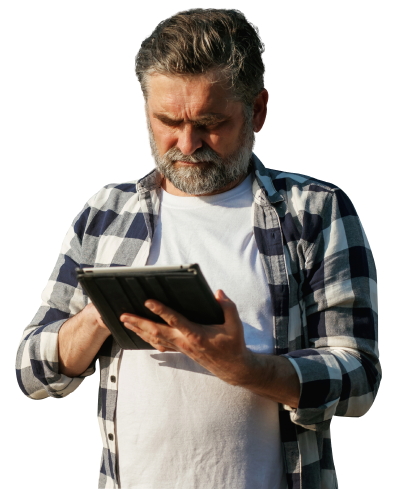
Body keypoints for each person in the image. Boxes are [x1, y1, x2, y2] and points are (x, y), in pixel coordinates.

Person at [16, 8, 380, 489]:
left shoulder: (315, 211)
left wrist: (246, 369)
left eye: (210, 123)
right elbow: (32, 372)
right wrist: (103, 312)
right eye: (167, 121)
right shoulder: (106, 211)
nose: (187, 143)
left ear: (258, 110)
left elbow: (358, 380)